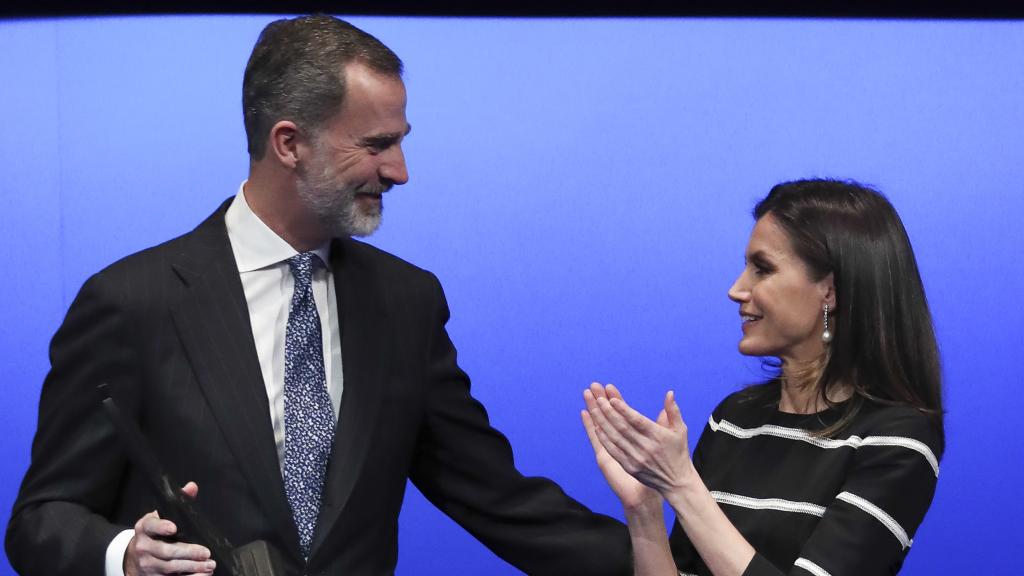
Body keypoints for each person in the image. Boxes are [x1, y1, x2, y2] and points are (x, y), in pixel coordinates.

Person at [5, 15, 631, 576]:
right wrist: (125, 557)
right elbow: (41, 520)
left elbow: (497, 497)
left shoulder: (406, 302)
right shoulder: (132, 302)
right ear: (289, 143)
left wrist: (679, 564)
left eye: (401, 140)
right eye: (376, 144)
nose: (400, 171)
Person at [582, 179, 944, 575]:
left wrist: (682, 487)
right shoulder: (733, 420)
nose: (737, 290)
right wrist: (644, 513)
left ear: (830, 291)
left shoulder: (896, 440)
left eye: (763, 268)